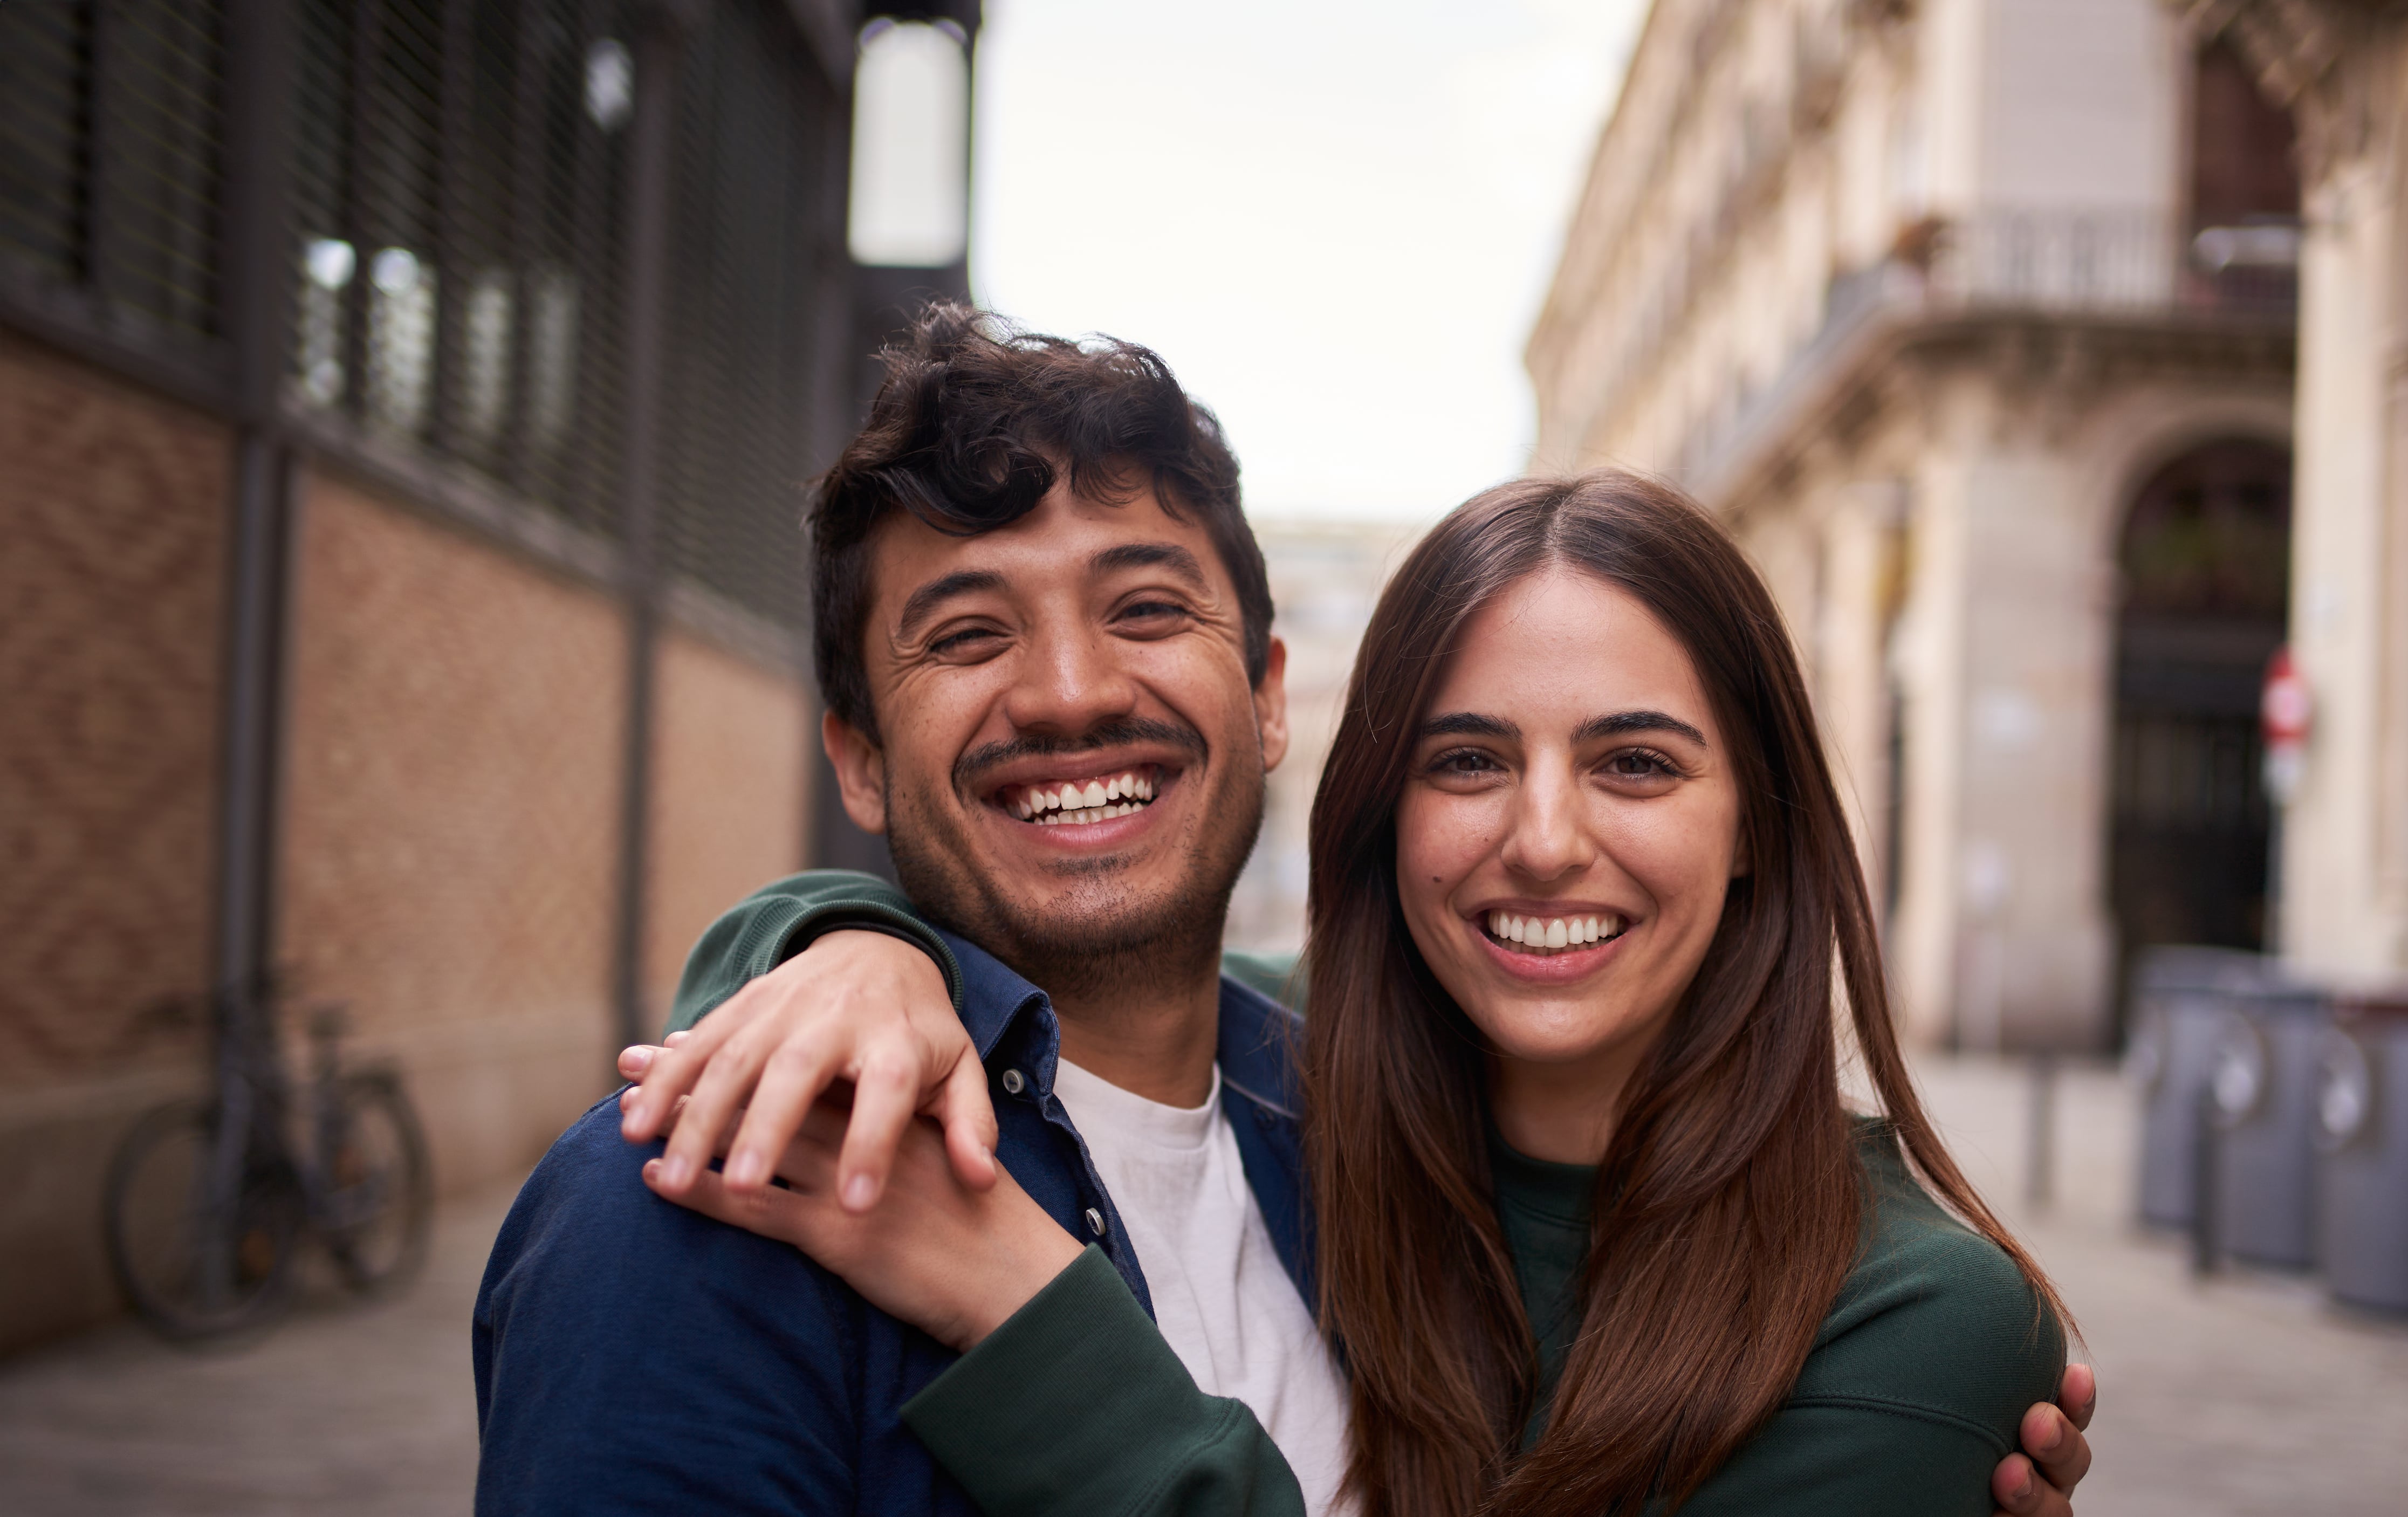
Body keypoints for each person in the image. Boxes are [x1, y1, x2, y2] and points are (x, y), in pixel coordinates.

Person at [472, 305, 2096, 1515]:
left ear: (1267, 700)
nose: (1069, 692)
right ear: (859, 759)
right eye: (967, 636)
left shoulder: (1327, 1124)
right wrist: (833, 940)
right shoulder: (721, 1197)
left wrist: (1023, 1308)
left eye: (1147, 609)